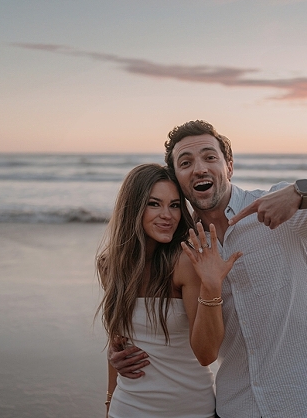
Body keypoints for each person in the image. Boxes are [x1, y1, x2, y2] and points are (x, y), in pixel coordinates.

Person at [109, 121, 307, 418]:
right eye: (185, 163)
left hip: (302, 399)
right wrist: (121, 349)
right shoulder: (183, 246)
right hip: (234, 406)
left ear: (229, 166)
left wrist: (300, 193)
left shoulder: (283, 207)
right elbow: (158, 311)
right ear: (177, 180)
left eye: (210, 157)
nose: (200, 169)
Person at [97, 163, 242, 418]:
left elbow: (207, 354)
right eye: (154, 204)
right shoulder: (110, 266)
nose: (168, 215)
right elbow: (118, 343)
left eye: (174, 205)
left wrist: (211, 285)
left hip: (189, 410)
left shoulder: (184, 263)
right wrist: (109, 403)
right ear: (133, 207)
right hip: (126, 408)